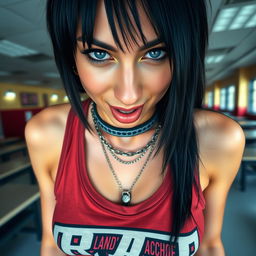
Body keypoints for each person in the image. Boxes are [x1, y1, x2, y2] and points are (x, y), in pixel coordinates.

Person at [25, 0, 245, 255]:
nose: (128, 94)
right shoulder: (47, 134)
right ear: (72, 58)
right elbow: (51, 246)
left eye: (154, 53)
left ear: (181, 55)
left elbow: (209, 245)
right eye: (100, 54)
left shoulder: (217, 140)